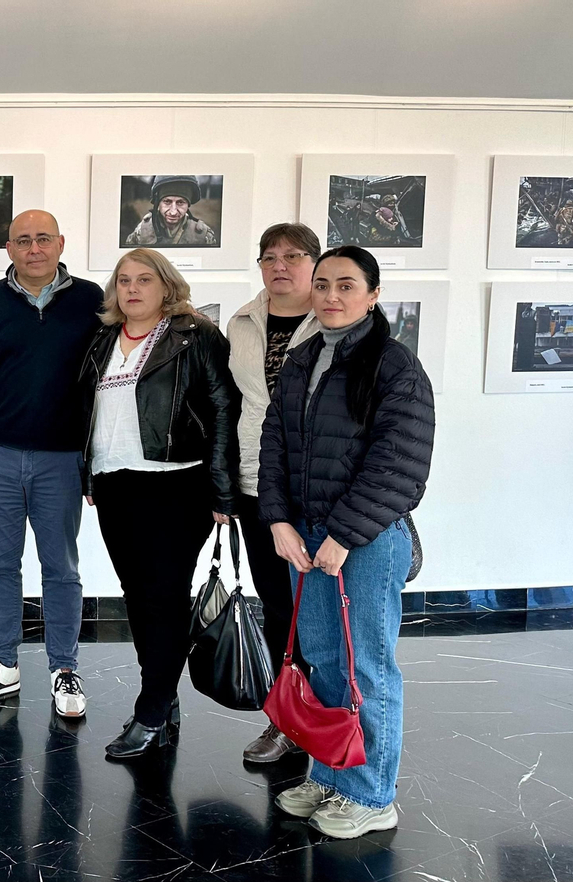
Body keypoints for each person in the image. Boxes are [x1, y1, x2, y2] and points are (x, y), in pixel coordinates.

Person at [260, 245, 434, 839]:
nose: (332, 296)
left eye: (348, 285)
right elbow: (274, 446)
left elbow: (399, 464)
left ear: (373, 294)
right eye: (324, 284)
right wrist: (279, 521)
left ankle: (371, 793)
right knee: (325, 658)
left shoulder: (395, 366)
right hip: (304, 537)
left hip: (363, 540)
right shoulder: (303, 358)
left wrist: (343, 535)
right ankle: (331, 772)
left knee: (368, 665)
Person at [79, 248, 237, 760]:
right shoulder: (103, 338)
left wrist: (221, 489)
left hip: (177, 484)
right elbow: (90, 413)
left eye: (144, 279)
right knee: (137, 597)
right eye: (123, 279)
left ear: (166, 286)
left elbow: (221, 410)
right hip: (116, 483)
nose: (132, 289)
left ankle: (151, 711)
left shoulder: (196, 335)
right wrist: (90, 472)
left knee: (163, 598)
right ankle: (161, 704)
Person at [0, 210, 102, 718]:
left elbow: (105, 381)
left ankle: (64, 667)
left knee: (61, 567)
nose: (33, 248)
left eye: (42, 239)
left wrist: (93, 459)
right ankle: (3, 662)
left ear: (60, 243)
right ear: (9, 249)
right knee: (0, 564)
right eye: (23, 240)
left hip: (63, 459)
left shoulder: (91, 302)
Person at [225, 223, 322, 763]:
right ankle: (285, 719)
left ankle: (329, 715)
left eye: (293, 256)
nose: (280, 265)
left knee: (323, 610)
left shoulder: (338, 319)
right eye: (269, 257)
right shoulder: (242, 322)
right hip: (257, 480)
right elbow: (233, 404)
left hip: (317, 484)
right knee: (279, 606)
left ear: (314, 262)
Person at [124, 176, 219, 247]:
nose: (173, 212)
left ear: (188, 205)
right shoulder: (142, 230)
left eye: (180, 202)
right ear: (158, 204)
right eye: (167, 202)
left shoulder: (204, 235)